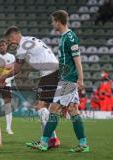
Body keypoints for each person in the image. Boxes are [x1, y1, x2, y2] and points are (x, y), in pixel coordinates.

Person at [29, 10, 90, 152]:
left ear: (58, 21)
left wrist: (80, 78)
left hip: (69, 80)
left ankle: (44, 143)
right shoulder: (63, 38)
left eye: (53, 21)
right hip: (65, 78)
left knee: (54, 109)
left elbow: (77, 60)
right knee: (72, 110)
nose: (52, 24)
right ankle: (83, 144)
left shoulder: (70, 37)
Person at [0, 26, 61, 148]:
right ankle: (48, 139)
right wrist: (4, 67)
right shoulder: (30, 40)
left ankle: (51, 140)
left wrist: (3, 77)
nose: (10, 43)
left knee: (40, 107)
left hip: (50, 73)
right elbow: (16, 63)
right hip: (54, 71)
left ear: (13, 36)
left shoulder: (22, 46)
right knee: (45, 108)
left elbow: (16, 69)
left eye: (9, 40)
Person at [0, 39, 16, 134]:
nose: (1, 47)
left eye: (3, 45)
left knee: (8, 105)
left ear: (6, 46)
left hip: (6, 84)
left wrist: (6, 80)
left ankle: (8, 128)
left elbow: (14, 72)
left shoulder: (11, 57)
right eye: (0, 45)